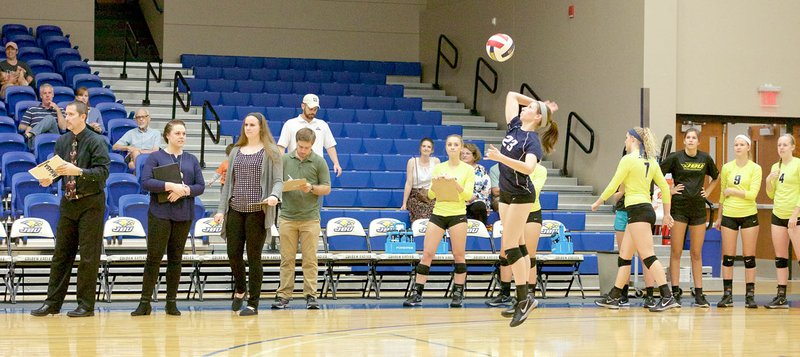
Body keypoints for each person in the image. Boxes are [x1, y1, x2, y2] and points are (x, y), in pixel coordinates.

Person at [484, 91, 558, 327]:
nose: (524, 108)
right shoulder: (515, 124)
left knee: (510, 245)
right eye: (527, 107)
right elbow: (511, 96)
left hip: (521, 194)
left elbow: (528, 169)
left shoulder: (532, 141)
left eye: (530, 109)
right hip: (506, 193)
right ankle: (526, 299)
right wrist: (539, 104)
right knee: (520, 246)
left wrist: (500, 157)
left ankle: (523, 299)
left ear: (536, 119)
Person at [30, 101, 110, 318]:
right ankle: (52, 303)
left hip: (91, 203)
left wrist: (79, 171)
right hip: (68, 202)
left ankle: (85, 305)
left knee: (88, 257)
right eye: (66, 114)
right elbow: (58, 168)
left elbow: (103, 173)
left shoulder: (96, 141)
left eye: (71, 114)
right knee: (61, 254)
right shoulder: (63, 140)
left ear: (83, 117)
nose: (67, 117)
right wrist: (49, 177)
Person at [592, 127, 678, 312]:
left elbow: (614, 183)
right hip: (642, 210)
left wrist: (599, 201)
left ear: (632, 139)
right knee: (624, 255)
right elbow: (664, 188)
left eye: (626, 138)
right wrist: (667, 213)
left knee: (647, 255)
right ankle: (615, 296)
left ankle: (667, 296)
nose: (624, 141)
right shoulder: (652, 162)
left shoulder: (628, 160)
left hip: (637, 211)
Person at [132, 119, 205, 316]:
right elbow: (146, 182)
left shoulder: (191, 159)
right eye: (177, 133)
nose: (181, 136)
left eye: (184, 133)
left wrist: (184, 191)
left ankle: (171, 301)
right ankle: (144, 301)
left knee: (176, 259)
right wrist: (171, 186)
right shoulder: (156, 157)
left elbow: (200, 186)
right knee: (154, 257)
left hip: (183, 214)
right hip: (160, 214)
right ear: (167, 135)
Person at [213, 112, 283, 316]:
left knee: (254, 258)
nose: (248, 128)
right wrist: (220, 210)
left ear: (261, 127)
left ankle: (253, 303)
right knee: (233, 253)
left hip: (257, 211)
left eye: (252, 124)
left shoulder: (271, 151)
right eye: (246, 125)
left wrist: (273, 195)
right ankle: (241, 289)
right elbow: (228, 185)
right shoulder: (236, 151)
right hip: (235, 209)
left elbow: (279, 181)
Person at [404, 134, 474, 309]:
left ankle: (457, 293)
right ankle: (417, 293)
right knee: (427, 253)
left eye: (455, 144)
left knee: (458, 255)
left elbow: (467, 196)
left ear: (460, 147)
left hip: (458, 214)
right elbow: (430, 195)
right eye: (449, 144)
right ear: (446, 148)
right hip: (438, 213)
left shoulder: (468, 170)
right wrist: (438, 184)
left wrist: (454, 184)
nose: (452, 147)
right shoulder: (439, 167)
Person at [659, 128, 719, 307]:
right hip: (679, 210)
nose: (691, 140)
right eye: (688, 138)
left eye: (694, 138)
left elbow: (716, 177)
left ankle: (699, 293)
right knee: (676, 252)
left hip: (698, 211)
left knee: (696, 253)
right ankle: (675, 291)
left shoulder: (705, 158)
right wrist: (668, 190)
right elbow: (657, 175)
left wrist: (707, 191)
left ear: (698, 142)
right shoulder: (675, 158)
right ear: (684, 141)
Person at [272, 128, 331, 310]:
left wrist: (311, 187)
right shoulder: (284, 160)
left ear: (312, 145)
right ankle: (283, 295)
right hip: (287, 217)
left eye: (307, 147)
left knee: (310, 259)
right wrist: (285, 187)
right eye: (300, 146)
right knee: (286, 259)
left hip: (310, 218)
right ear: (295, 143)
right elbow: (276, 182)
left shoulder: (319, 162)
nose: (303, 150)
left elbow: (326, 188)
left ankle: (311, 295)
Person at [486, 163, 546, 316]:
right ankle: (504, 292)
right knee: (506, 251)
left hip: (531, 213)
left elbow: (534, 191)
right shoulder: (512, 167)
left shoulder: (540, 170)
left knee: (529, 254)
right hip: (513, 212)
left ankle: (527, 295)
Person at [712, 135, 762, 308]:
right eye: (736, 144)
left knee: (749, 257)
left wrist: (733, 191)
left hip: (749, 214)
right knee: (728, 257)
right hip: (729, 215)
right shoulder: (727, 167)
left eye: (742, 144)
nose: (738, 147)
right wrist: (719, 216)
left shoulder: (755, 168)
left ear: (748, 147)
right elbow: (721, 194)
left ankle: (750, 296)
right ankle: (727, 295)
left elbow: (752, 195)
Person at [765, 134, 800, 309]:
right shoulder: (775, 166)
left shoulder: (798, 164)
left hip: (795, 216)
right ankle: (781, 296)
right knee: (780, 258)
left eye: (785, 144)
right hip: (778, 214)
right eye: (779, 145)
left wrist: (795, 213)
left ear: (793, 147)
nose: (781, 147)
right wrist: (768, 180)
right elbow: (771, 194)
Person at [611, 184, 656, 308]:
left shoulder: (645, 171)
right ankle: (623, 294)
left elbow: (650, 196)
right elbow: (615, 198)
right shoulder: (623, 172)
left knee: (645, 256)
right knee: (624, 256)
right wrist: (622, 191)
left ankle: (650, 295)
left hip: (639, 214)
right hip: (622, 213)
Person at [277, 94, 342, 177]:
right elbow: (281, 146)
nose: (313, 112)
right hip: (295, 167)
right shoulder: (290, 124)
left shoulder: (323, 124)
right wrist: (279, 166)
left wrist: (336, 163)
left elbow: (330, 146)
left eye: (315, 109)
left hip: (316, 168)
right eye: (311, 109)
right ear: (303, 106)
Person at [400, 138, 440, 222]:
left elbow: (438, 183)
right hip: (415, 195)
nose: (426, 148)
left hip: (430, 195)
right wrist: (404, 203)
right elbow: (409, 183)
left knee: (434, 211)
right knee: (421, 211)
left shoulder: (436, 161)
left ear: (432, 150)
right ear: (420, 148)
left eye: (429, 147)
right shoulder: (412, 162)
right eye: (424, 146)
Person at [462, 143, 491, 225]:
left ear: (474, 156)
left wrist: (475, 196)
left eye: (467, 153)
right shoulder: (457, 168)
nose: (464, 155)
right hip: (460, 200)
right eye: (462, 153)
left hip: (476, 199)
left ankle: (482, 232)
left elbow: (486, 188)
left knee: (479, 206)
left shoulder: (481, 169)